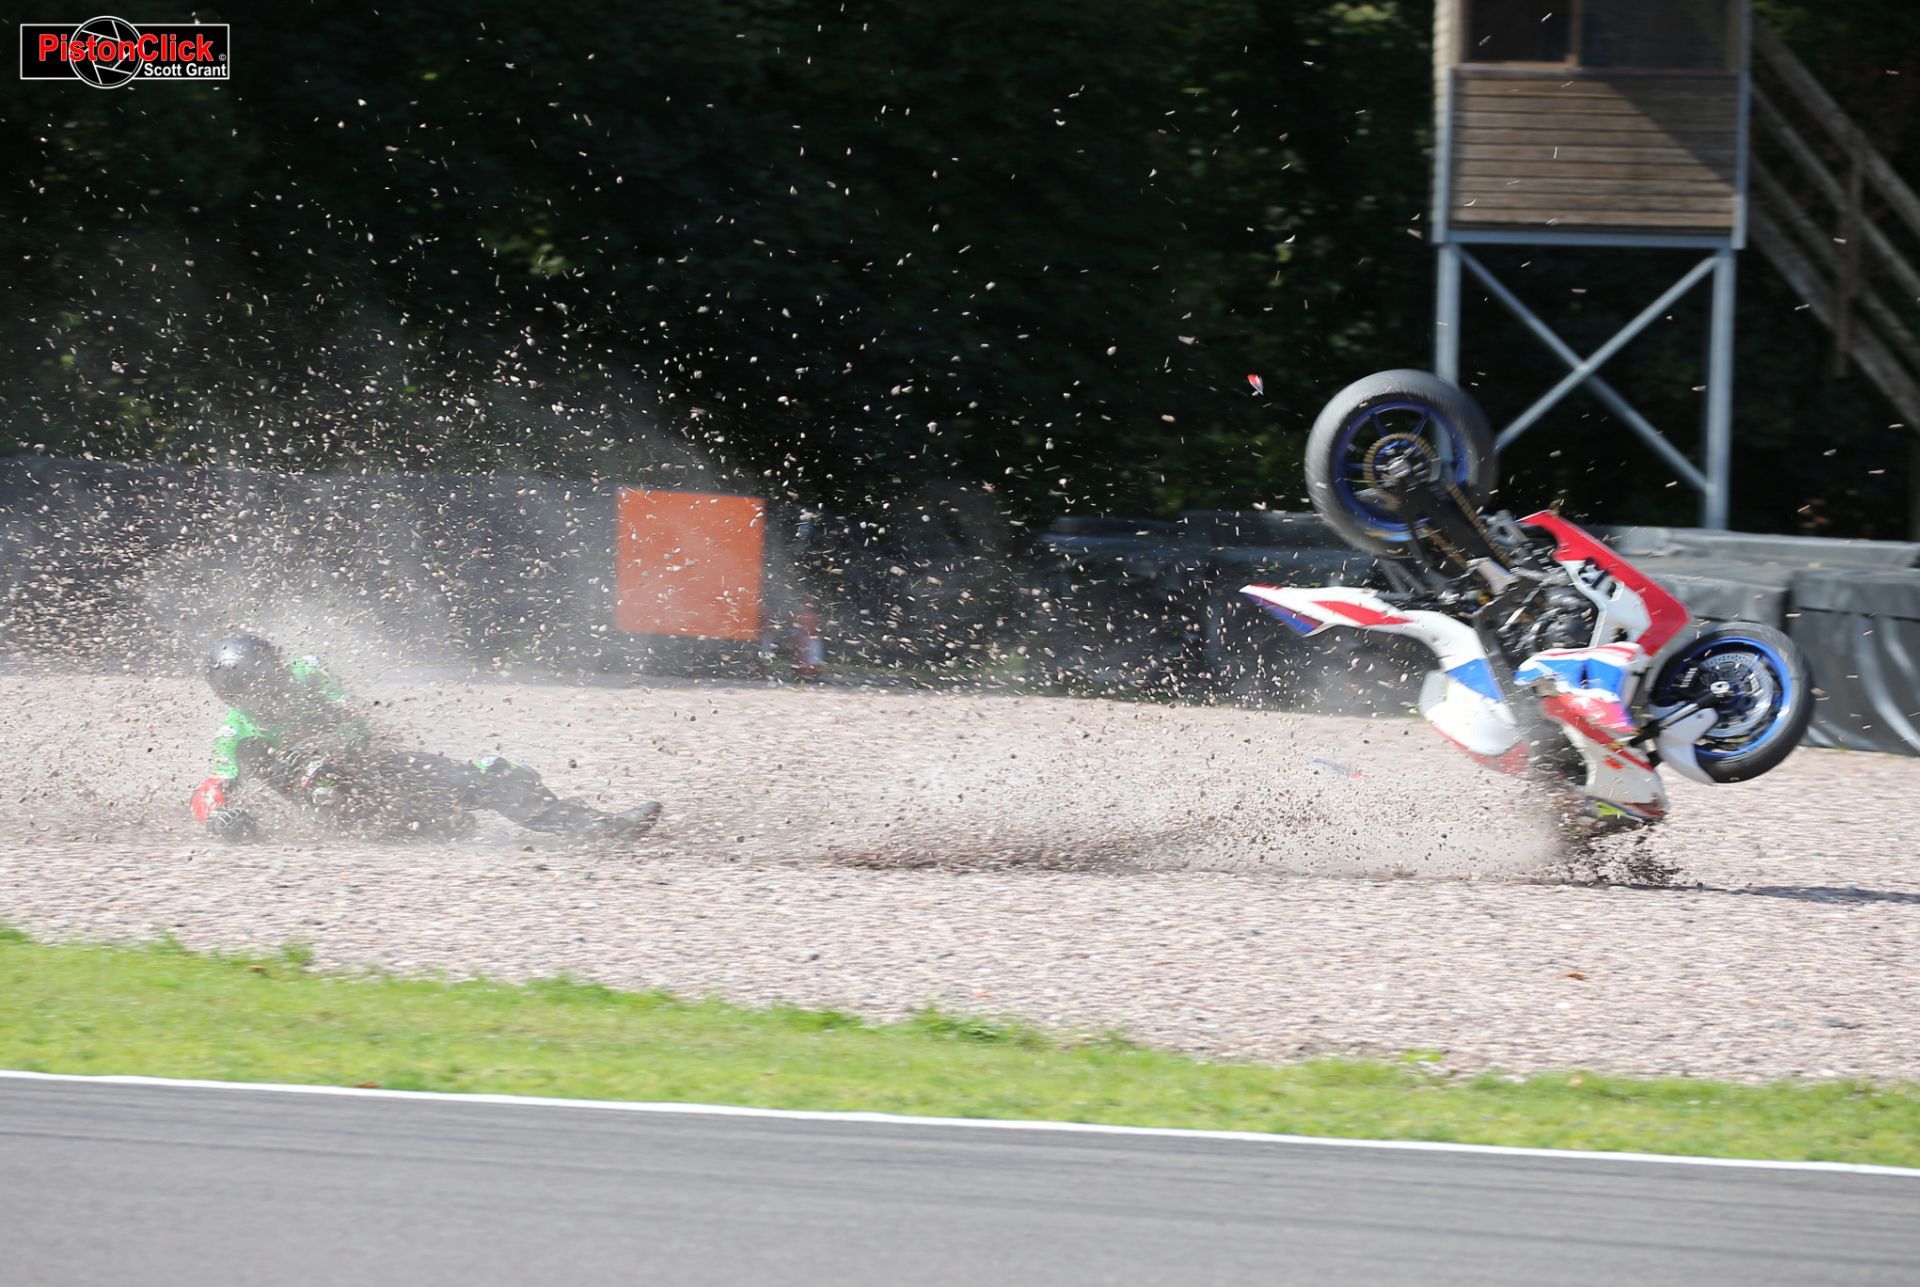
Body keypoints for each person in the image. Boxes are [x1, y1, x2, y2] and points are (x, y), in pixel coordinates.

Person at [188, 633, 660, 843]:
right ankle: (421, 828)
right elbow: (210, 789)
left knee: (496, 774)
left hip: (382, 770)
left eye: (269, 680)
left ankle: (597, 829)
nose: (268, 694)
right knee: (314, 774)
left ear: (279, 669)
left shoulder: (309, 674)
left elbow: (353, 721)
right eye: (252, 690)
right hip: (346, 806)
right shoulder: (237, 736)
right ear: (231, 695)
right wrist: (217, 820)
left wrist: (319, 744)